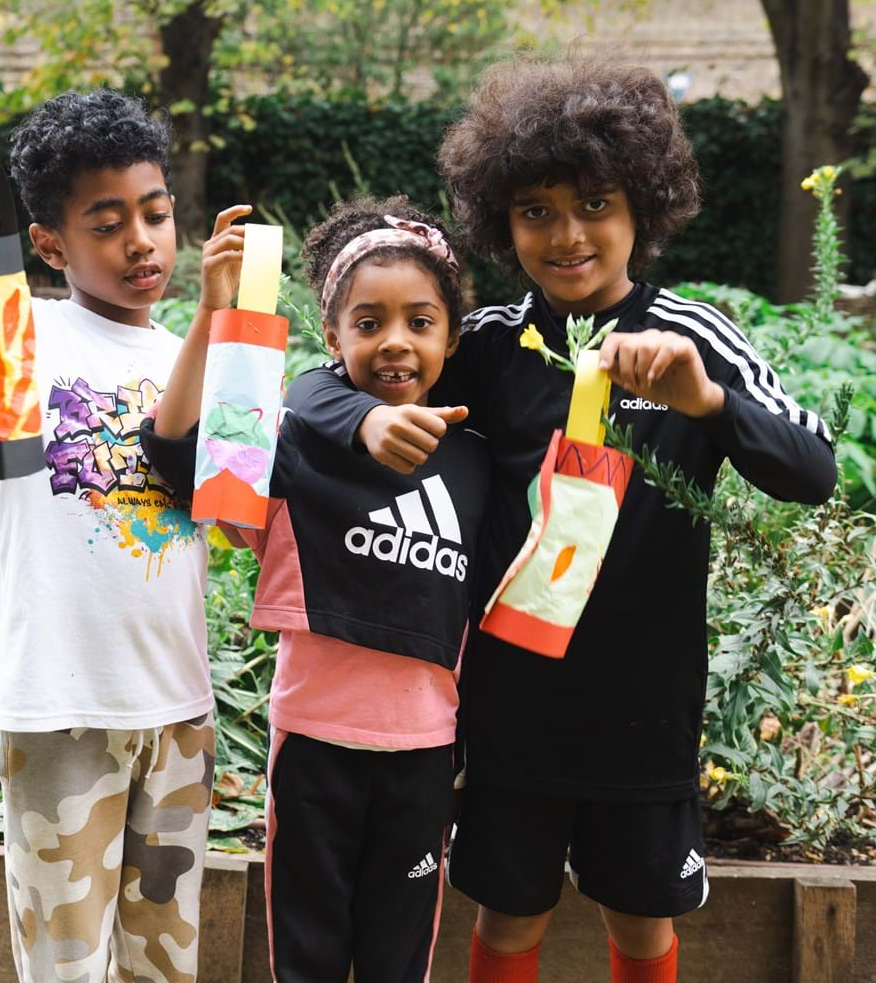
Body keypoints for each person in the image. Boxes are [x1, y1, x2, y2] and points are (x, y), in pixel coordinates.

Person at [293, 59, 838, 983]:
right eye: (536, 210)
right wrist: (372, 418)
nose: (568, 234)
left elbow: (813, 470)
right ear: (502, 221)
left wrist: (708, 402)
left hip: (644, 712)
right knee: (506, 921)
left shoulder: (694, 339)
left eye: (595, 205)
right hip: (509, 712)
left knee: (641, 925)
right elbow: (320, 390)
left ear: (644, 211)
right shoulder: (490, 347)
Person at [0, 83, 214, 983]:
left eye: (154, 213)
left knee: (165, 967)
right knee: (65, 970)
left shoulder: (192, 354)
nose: (140, 240)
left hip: (178, 712)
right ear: (50, 244)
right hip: (62, 710)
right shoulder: (24, 335)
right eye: (106, 224)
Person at [142, 196, 490, 982]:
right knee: (308, 954)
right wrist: (216, 314)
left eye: (419, 322)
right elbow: (173, 453)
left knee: (399, 959)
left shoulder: (475, 461)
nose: (395, 341)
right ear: (332, 337)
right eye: (368, 323)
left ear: (451, 337)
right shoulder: (294, 442)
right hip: (312, 748)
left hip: (425, 756)